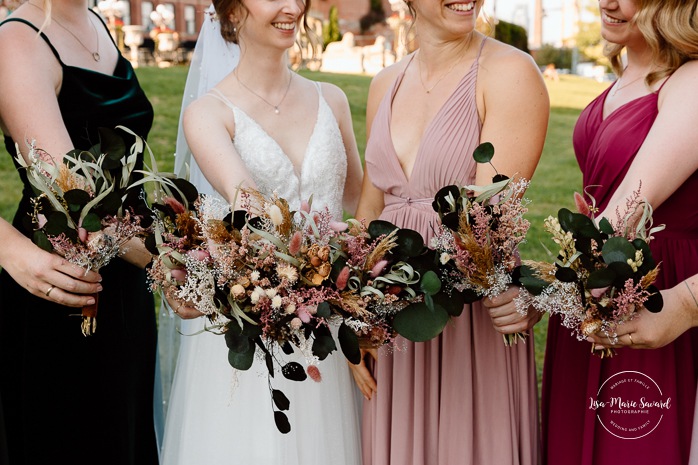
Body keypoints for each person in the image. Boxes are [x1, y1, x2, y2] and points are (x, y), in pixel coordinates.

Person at [159, 1, 364, 464]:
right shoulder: (208, 114)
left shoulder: (332, 99)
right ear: (232, 12)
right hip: (258, 328)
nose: (291, 6)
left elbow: (361, 206)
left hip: (332, 325)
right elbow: (251, 211)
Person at [348, 1, 549, 463]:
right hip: (390, 323)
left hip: (466, 321)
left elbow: (490, 226)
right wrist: (352, 314)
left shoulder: (510, 73)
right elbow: (370, 207)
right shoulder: (385, 84)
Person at [0, 1, 159, 464]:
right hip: (65, 283)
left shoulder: (95, 21)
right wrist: (177, 264)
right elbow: (77, 199)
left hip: (128, 279)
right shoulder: (18, 41)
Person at [541, 0, 698, 464]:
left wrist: (539, 290)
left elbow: (628, 210)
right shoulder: (625, 75)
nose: (609, 2)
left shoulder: (689, 81)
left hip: (651, 293)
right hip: (595, 283)